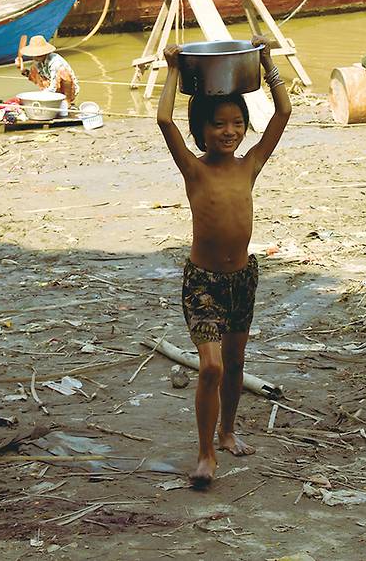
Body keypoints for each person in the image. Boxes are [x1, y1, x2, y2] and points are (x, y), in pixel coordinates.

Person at [157, 36, 291, 488]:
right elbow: (164, 119)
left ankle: (228, 431)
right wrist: (173, 69)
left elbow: (284, 113)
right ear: (201, 131)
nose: (229, 131)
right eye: (218, 125)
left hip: (241, 280)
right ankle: (205, 453)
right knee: (211, 367)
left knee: (234, 364)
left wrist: (267, 62)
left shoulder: (249, 164)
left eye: (237, 123)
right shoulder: (194, 170)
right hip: (203, 283)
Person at [15, 36, 80, 104]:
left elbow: (54, 86)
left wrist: (41, 96)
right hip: (50, 87)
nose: (35, 56)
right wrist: (22, 70)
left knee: (63, 73)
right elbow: (34, 76)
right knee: (33, 69)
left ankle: (67, 102)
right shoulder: (38, 62)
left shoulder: (55, 62)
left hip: (67, 90)